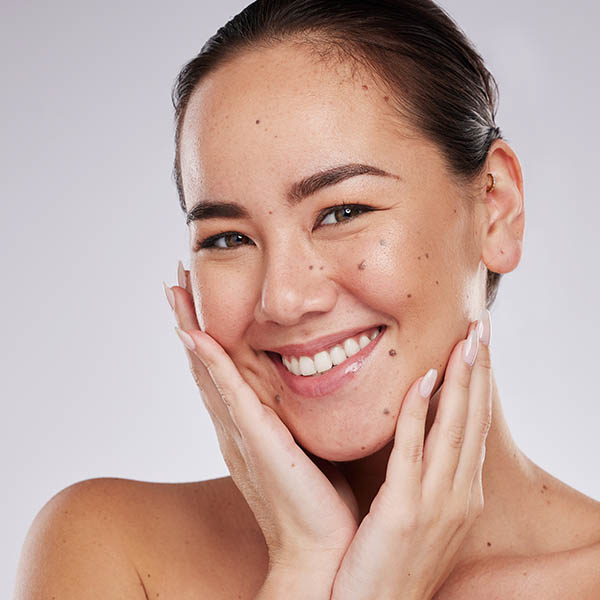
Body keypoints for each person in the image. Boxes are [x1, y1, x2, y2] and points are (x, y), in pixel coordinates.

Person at [14, 0, 600, 598]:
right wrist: (304, 563)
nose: (285, 298)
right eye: (228, 238)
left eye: (343, 211)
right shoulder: (109, 549)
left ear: (495, 209)